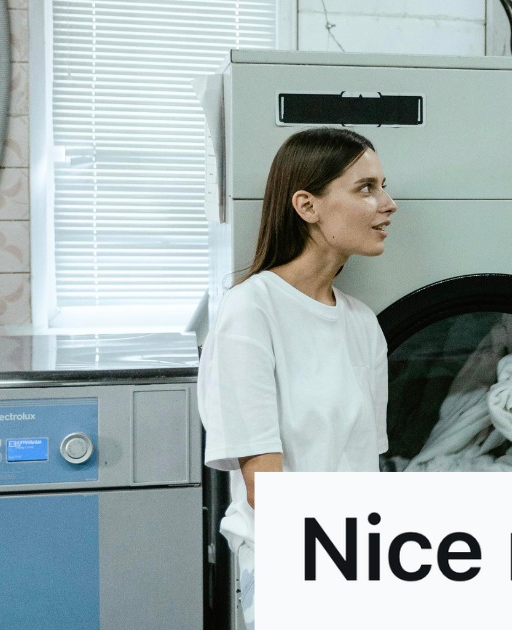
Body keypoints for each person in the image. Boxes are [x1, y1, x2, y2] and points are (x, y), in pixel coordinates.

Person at [198, 127, 398, 629]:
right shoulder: (251, 309)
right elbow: (264, 490)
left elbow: (364, 472)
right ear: (307, 206)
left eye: (383, 186)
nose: (388, 203)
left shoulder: (362, 323)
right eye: (365, 188)